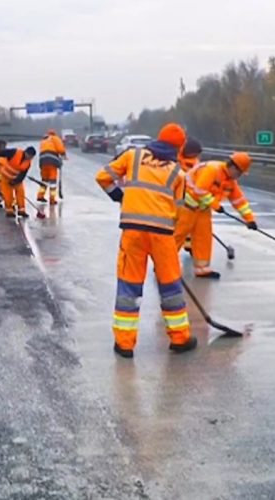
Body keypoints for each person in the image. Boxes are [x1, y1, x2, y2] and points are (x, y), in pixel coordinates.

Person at [95, 123, 196, 358]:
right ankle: (179, 338)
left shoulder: (133, 156)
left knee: (129, 287)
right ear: (179, 148)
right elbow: (180, 211)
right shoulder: (177, 173)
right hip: (162, 234)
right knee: (171, 286)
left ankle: (125, 344)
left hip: (133, 232)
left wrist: (120, 196)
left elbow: (103, 177)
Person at [174, 152, 256, 278]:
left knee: (204, 237)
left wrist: (250, 220)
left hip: (202, 210)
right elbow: (199, 190)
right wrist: (215, 205)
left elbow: (239, 202)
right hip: (187, 206)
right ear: (233, 167)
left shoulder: (230, 182)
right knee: (178, 235)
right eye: (239, 173)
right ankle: (164, 266)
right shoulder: (212, 170)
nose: (238, 177)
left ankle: (202, 269)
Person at [0, 146, 36, 218]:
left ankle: (21, 210)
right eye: (30, 156)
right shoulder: (14, 152)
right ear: (26, 153)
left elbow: (22, 174)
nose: (30, 158)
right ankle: (9, 211)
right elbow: (0, 153)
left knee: (20, 193)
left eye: (32, 157)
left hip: (16, 179)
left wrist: (16, 181)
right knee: (8, 195)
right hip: (6, 177)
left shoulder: (28, 163)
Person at [178, 138, 203, 254]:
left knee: (188, 223)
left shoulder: (195, 163)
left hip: (189, 195)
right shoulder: (178, 161)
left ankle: (189, 243)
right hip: (179, 194)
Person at [38, 129, 67, 205]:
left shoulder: (44, 140)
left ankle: (40, 196)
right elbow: (60, 149)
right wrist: (63, 154)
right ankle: (52, 199)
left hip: (42, 160)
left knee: (44, 179)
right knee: (52, 181)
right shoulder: (55, 138)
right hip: (52, 160)